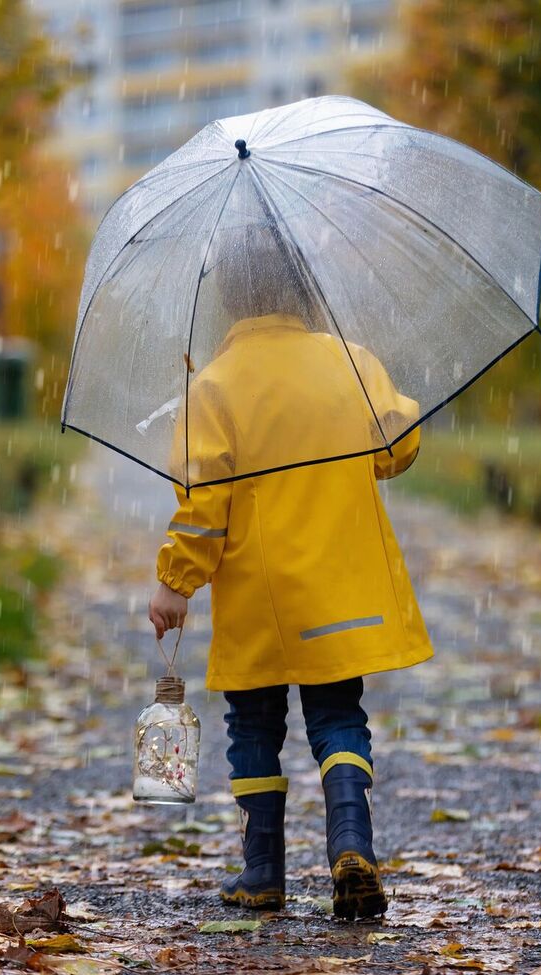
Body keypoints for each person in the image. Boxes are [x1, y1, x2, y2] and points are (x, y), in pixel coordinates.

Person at [147, 223, 433, 920]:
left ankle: (263, 870)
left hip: (259, 602)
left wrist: (175, 580)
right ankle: (350, 842)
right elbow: (398, 447)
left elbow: (202, 508)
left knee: (253, 726)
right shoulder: (350, 361)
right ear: (304, 287)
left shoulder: (212, 387)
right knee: (339, 716)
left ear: (229, 298)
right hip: (341, 591)